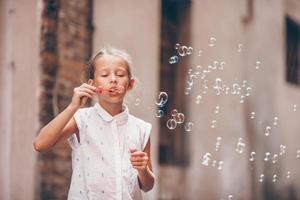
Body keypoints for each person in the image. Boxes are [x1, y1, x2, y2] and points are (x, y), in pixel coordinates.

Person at [33, 47, 155, 200]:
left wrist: (143, 170)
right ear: (92, 84)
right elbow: (40, 144)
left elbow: (148, 185)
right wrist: (72, 107)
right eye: (105, 75)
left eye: (120, 74)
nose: (113, 79)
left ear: (130, 84)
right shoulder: (81, 119)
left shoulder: (141, 128)